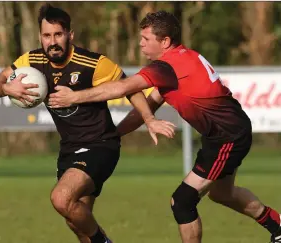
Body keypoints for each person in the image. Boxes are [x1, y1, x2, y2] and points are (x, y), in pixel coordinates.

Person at [48, 10, 281, 243]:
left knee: (182, 201)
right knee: (223, 194)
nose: (140, 44)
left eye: (146, 39)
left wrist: (74, 98)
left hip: (228, 137)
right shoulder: (180, 61)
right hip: (225, 134)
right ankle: (277, 226)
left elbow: (121, 88)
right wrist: (113, 134)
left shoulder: (168, 66)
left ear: (165, 42)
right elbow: (146, 107)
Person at [0, 5, 176, 243]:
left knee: (61, 199)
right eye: (47, 36)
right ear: (40, 37)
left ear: (70, 34)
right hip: (69, 148)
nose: (53, 41)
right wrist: (7, 88)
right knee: (76, 220)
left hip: (100, 144)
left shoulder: (92, 63)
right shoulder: (31, 60)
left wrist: (149, 119)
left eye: (58, 34)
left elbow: (131, 89)